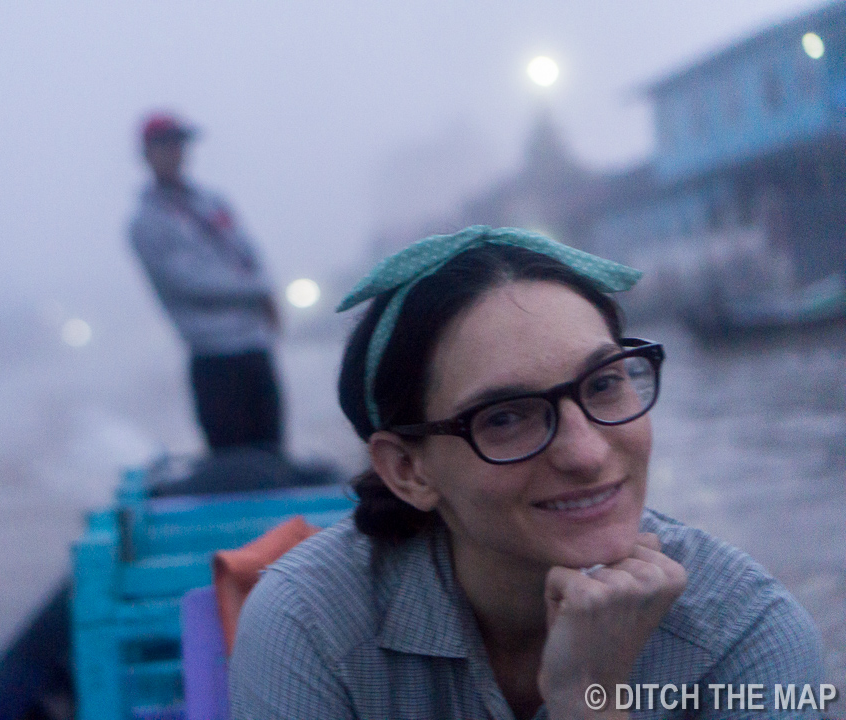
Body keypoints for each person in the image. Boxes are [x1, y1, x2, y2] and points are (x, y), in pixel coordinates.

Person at [228, 226, 826, 719]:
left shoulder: (746, 635)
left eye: (605, 384)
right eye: (506, 417)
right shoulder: (311, 628)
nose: (587, 453)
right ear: (408, 470)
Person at [128, 112, 283, 454]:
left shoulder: (211, 202)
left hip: (254, 346)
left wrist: (265, 291)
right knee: (233, 461)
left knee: (272, 454)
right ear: (146, 154)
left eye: (179, 144)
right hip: (214, 357)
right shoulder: (148, 221)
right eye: (165, 144)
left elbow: (246, 252)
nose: (175, 152)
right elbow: (190, 283)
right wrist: (257, 291)